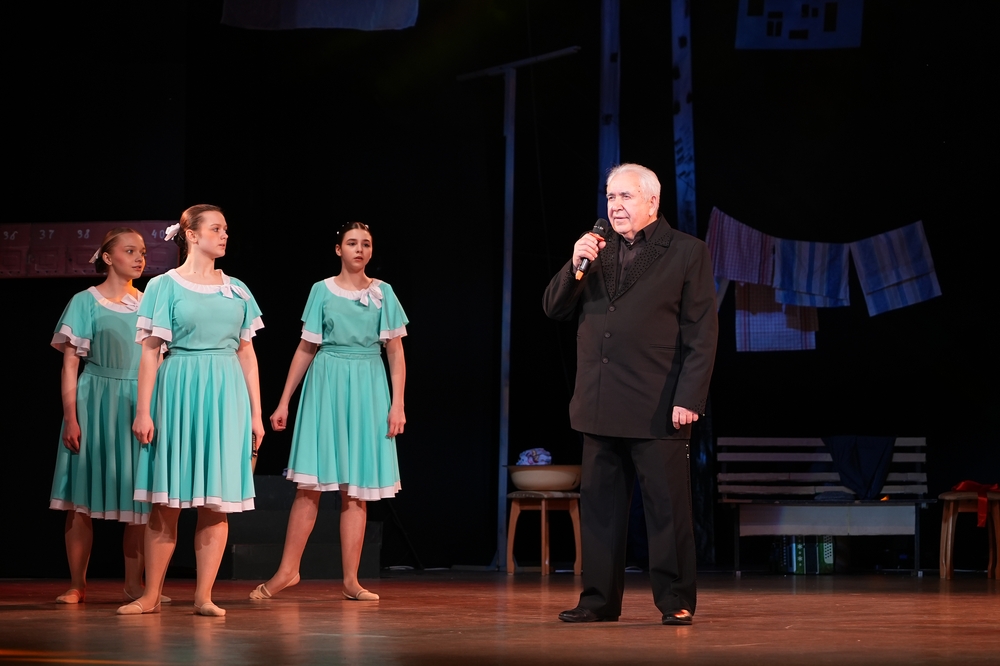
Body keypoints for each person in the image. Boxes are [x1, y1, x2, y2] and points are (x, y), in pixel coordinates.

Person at [542, 163, 717, 625]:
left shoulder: (686, 251)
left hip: (657, 402)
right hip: (599, 400)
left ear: (652, 201)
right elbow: (554, 308)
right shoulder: (595, 249)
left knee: (667, 512)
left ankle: (675, 599)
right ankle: (598, 600)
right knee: (601, 511)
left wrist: (690, 397)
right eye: (610, 197)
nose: (615, 206)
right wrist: (574, 264)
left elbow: (701, 332)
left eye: (625, 196)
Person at [117, 205, 265, 616]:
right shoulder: (164, 285)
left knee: (216, 502)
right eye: (216, 228)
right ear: (192, 235)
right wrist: (143, 410)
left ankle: (204, 597)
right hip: (179, 388)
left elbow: (247, 354)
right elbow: (150, 352)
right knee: (166, 501)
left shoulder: (237, 289)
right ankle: (150, 595)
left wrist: (256, 414)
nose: (224, 235)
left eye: (226, 229)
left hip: (226, 394)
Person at [249, 222, 407, 603]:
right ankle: (288, 570)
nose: (359, 249)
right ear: (338, 249)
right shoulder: (321, 290)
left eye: (366, 244)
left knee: (356, 491)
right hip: (327, 384)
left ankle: (351, 580)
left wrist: (398, 403)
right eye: (352, 243)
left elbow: (396, 353)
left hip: (368, 386)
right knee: (310, 487)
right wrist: (284, 400)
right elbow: (306, 347)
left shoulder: (383, 293)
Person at [49, 228, 166, 604]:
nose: (139, 258)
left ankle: (135, 585)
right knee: (80, 500)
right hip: (96, 400)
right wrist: (71, 417)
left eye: (142, 252)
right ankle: (77, 584)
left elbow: (158, 360)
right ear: (107, 257)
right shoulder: (85, 301)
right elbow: (70, 365)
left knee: (140, 501)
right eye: (129, 251)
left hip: (138, 402)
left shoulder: (149, 302)